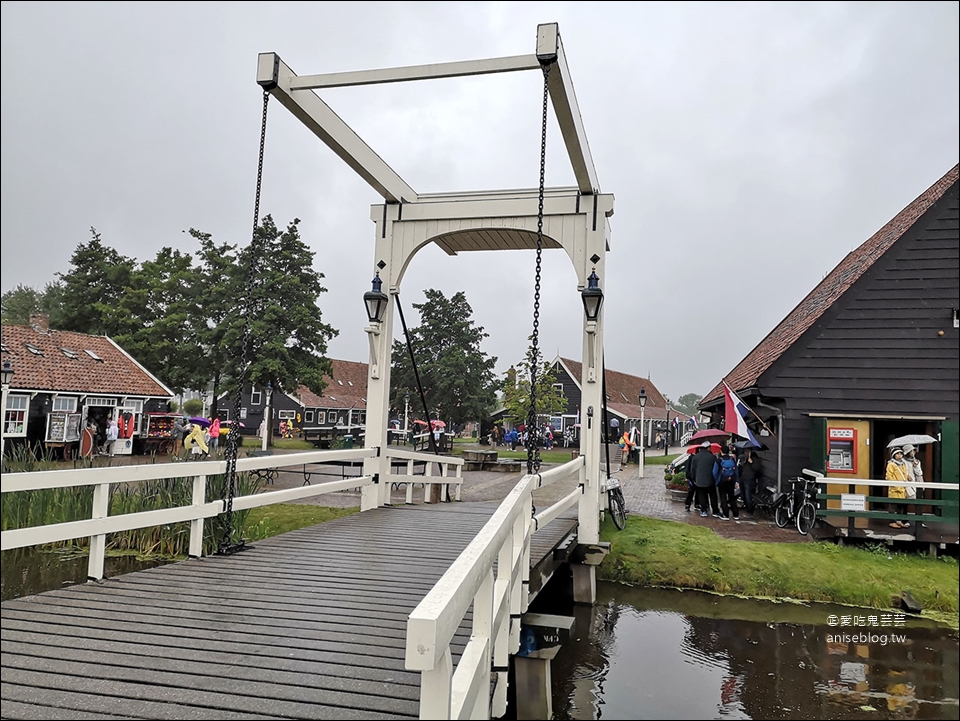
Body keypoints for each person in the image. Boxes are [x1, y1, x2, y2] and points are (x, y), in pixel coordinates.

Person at [689, 440, 722, 518]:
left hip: (699, 480)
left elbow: (692, 469)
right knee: (713, 496)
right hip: (710, 480)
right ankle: (715, 511)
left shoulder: (696, 457)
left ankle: (703, 510)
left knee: (702, 496)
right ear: (708, 448)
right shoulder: (712, 457)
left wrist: (694, 479)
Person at [885, 447, 909, 529]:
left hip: (903, 489)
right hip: (894, 490)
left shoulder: (903, 464)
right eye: (897, 454)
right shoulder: (891, 464)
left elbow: (904, 474)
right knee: (892, 506)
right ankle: (892, 522)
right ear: (893, 455)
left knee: (901, 506)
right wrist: (896, 485)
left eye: (901, 454)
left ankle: (899, 521)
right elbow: (888, 477)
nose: (899, 455)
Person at [713, 448, 740, 520]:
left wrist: (716, 480)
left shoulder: (718, 460)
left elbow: (714, 472)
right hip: (731, 481)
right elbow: (736, 471)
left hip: (722, 481)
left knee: (723, 497)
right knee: (732, 497)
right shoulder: (732, 459)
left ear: (721, 451)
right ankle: (736, 514)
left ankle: (726, 515)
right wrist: (736, 480)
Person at [738, 447, 763, 516]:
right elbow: (740, 469)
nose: (745, 453)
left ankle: (750, 510)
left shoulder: (754, 459)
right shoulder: (743, 459)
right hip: (742, 478)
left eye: (747, 451)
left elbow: (757, 468)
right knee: (743, 495)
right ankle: (746, 507)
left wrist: (751, 462)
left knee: (748, 495)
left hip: (749, 479)